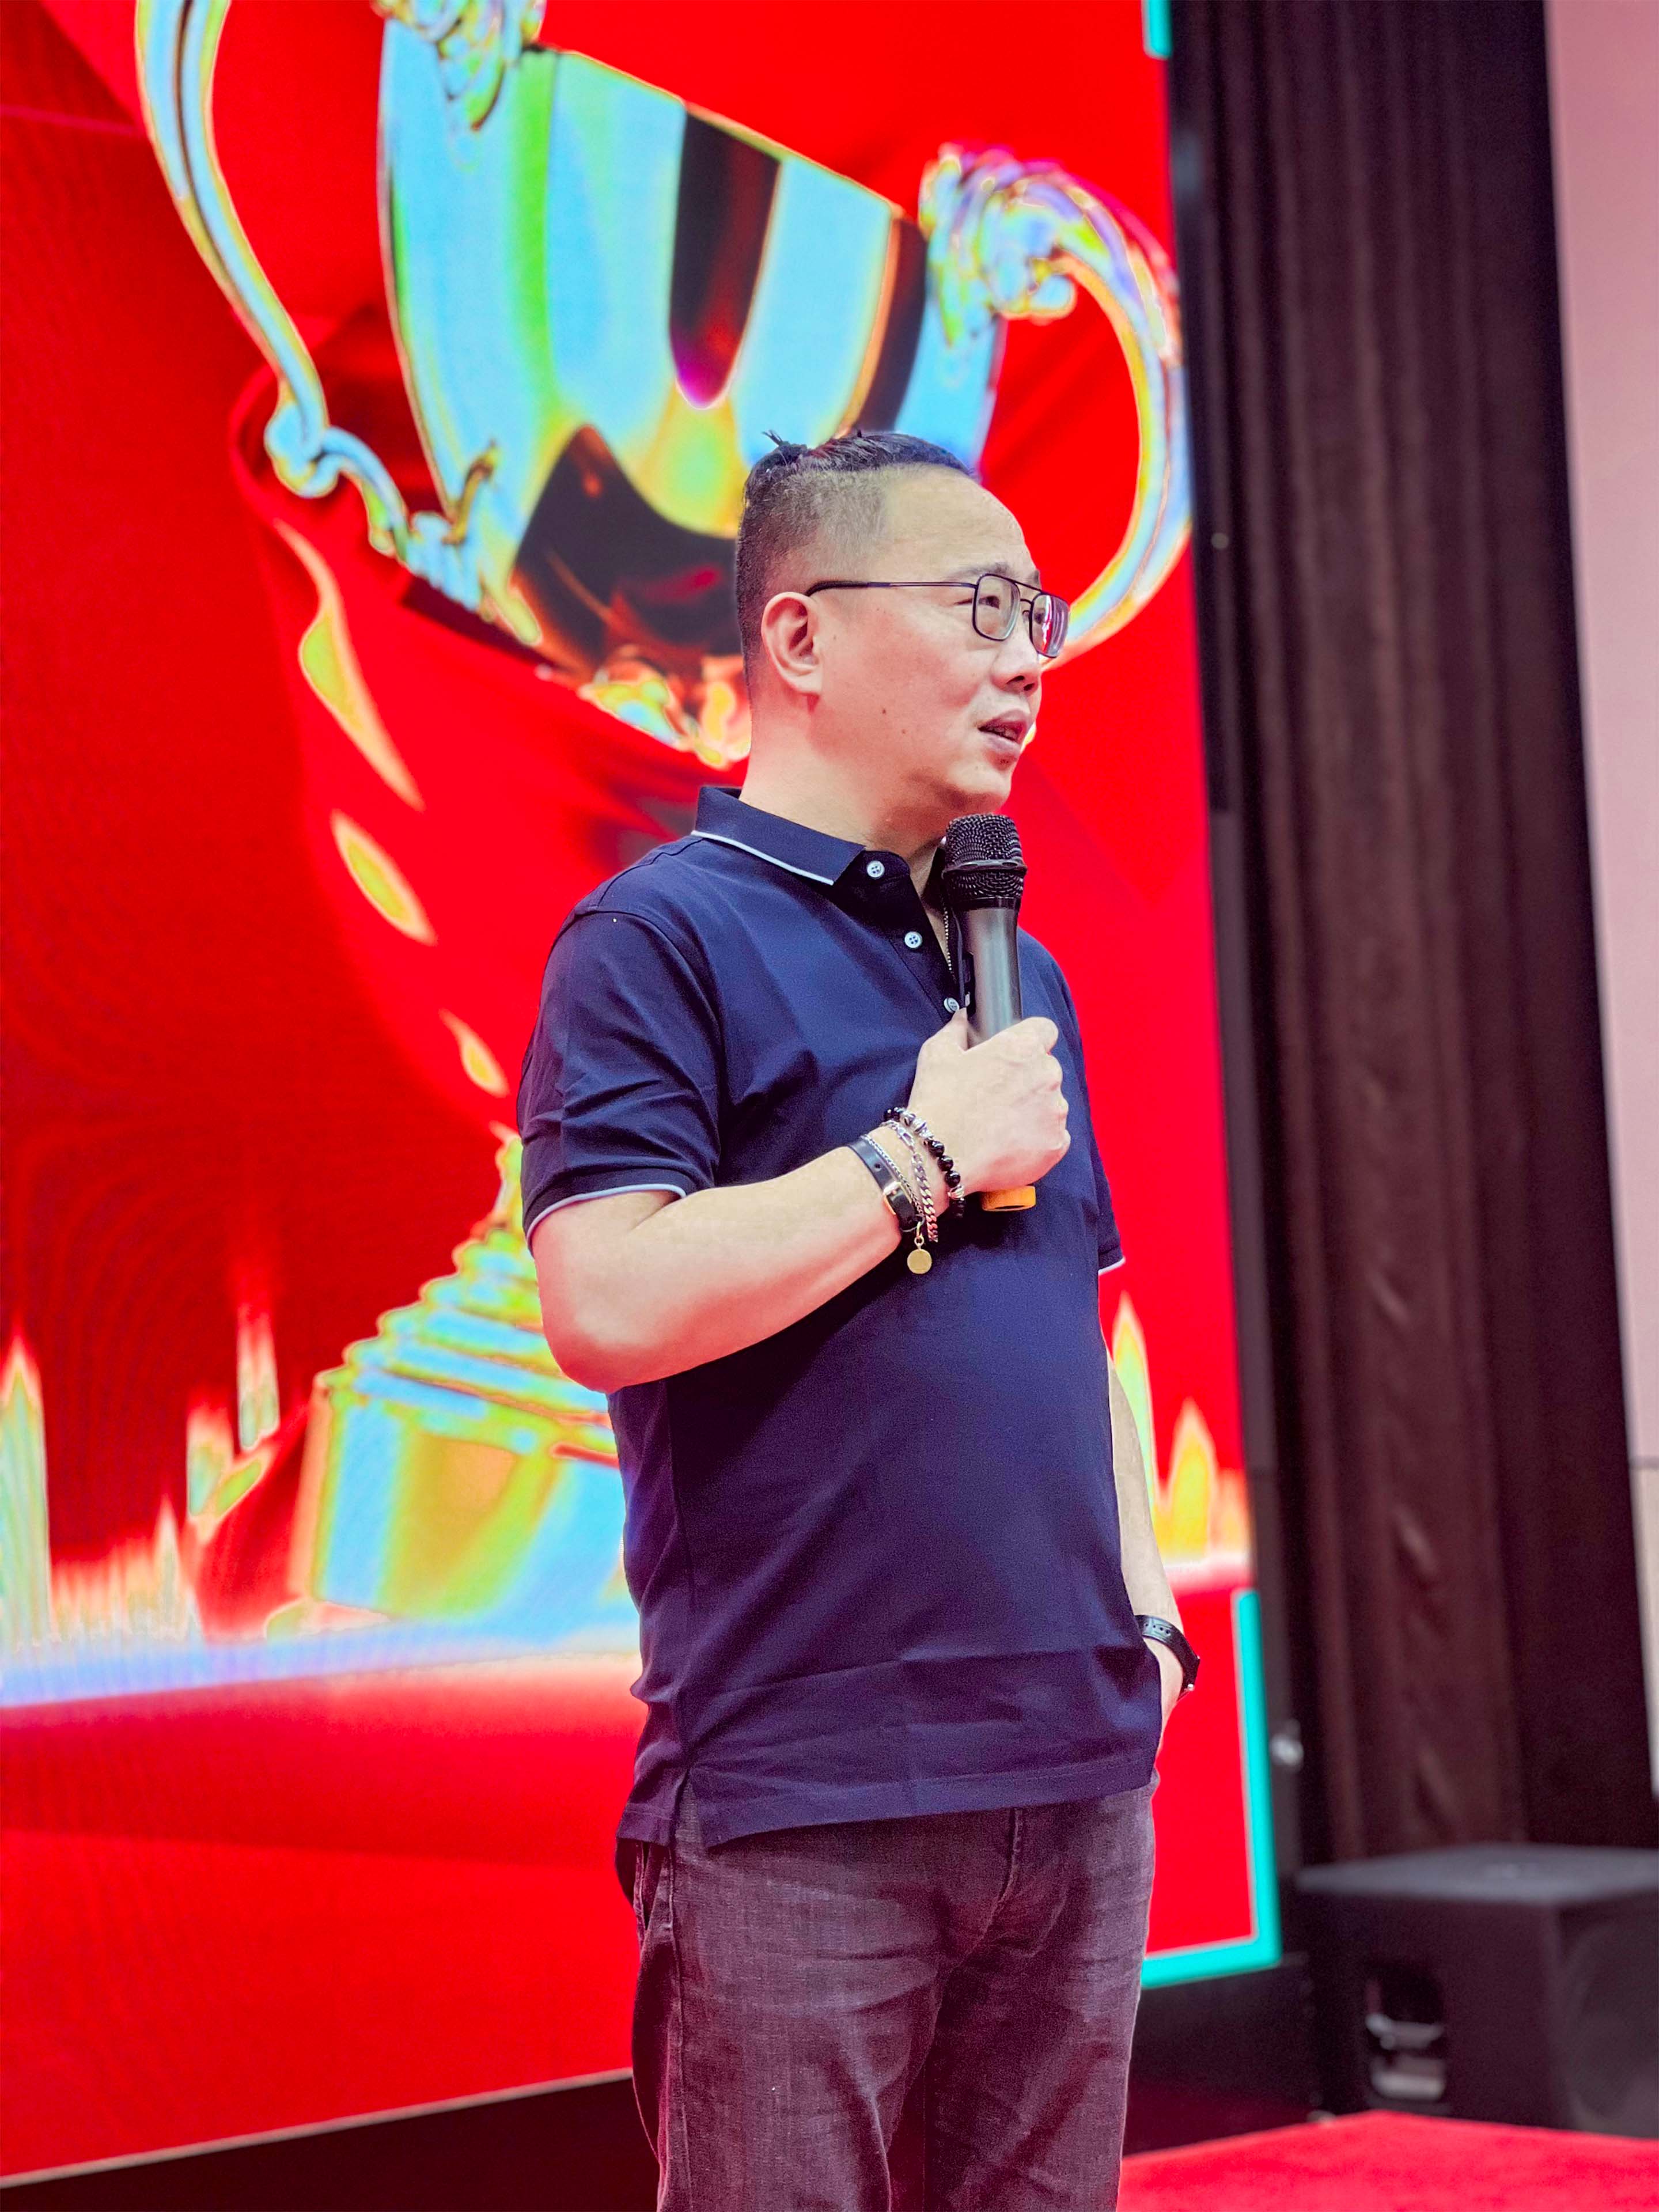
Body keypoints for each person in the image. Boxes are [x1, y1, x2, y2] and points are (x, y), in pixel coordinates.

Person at [517, 429, 1195, 2212]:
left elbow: (1078, 1322)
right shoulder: (656, 939)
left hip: (1076, 1769)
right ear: (800, 636)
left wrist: (1144, 1619)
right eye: (980, 606)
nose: (1027, 657)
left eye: (1038, 615)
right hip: (806, 1793)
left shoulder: (1012, 965)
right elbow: (605, 1297)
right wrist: (918, 1157)